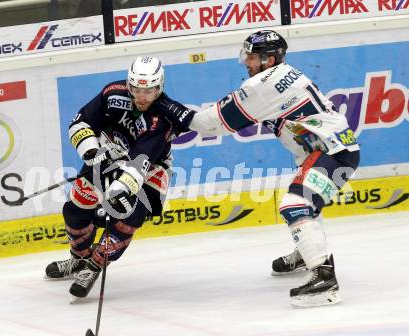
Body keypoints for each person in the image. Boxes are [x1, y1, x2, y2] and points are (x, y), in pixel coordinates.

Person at [156, 30, 360, 307]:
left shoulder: (264, 85)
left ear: (269, 59)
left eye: (251, 57)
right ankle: (307, 251)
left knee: (295, 205)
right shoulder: (280, 76)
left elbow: (208, 124)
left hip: (331, 152)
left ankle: (324, 278)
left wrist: (161, 101)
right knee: (304, 203)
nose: (245, 63)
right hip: (331, 149)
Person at [45, 56, 177, 300]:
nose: (141, 96)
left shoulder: (163, 116)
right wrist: (93, 152)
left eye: (148, 90)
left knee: (128, 216)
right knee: (76, 209)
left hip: (149, 171)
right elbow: (80, 122)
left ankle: (94, 266)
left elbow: (141, 161)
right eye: (136, 88)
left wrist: (117, 194)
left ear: (159, 87)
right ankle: (79, 259)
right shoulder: (111, 94)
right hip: (108, 157)